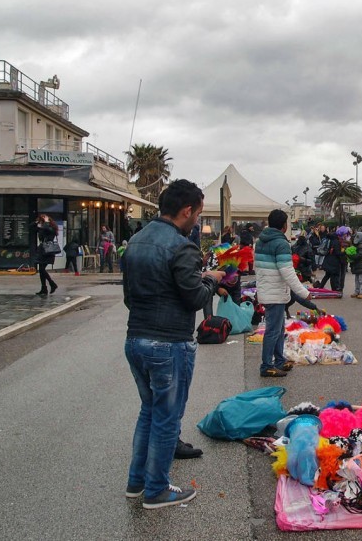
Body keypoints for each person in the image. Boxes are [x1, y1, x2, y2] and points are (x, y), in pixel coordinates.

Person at [123, 179, 225, 509]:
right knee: (167, 418)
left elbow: (129, 297)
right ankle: (156, 489)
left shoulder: (136, 241)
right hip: (168, 344)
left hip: (135, 338)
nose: (198, 220)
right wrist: (211, 280)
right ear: (186, 211)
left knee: (149, 413)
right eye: (197, 213)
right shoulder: (182, 246)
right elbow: (194, 297)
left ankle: (137, 482)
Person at [255, 209, 312, 377]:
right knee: (273, 330)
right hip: (275, 292)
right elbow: (287, 271)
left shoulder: (260, 241)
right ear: (284, 225)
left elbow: (257, 266)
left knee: (278, 329)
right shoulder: (281, 244)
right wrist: (303, 292)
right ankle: (266, 365)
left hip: (268, 289)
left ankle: (279, 361)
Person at [35, 214, 59, 296]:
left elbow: (49, 231)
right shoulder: (43, 227)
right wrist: (37, 222)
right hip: (42, 250)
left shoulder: (51, 227)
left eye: (44, 219)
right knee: (41, 269)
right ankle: (44, 288)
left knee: (42, 269)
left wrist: (46, 222)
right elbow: (30, 226)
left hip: (48, 250)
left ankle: (52, 284)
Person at [316, 228, 343, 292]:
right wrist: (343, 253)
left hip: (328, 260)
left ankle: (320, 287)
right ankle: (334, 289)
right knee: (334, 276)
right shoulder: (336, 242)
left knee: (327, 275)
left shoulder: (330, 241)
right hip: (334, 262)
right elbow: (337, 253)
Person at [349, 231, 362, 299]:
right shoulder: (359, 245)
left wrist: (352, 256)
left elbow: (359, 255)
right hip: (359, 265)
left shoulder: (361, 246)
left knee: (361, 280)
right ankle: (357, 291)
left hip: (361, 264)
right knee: (357, 279)